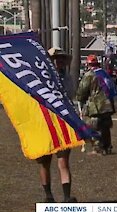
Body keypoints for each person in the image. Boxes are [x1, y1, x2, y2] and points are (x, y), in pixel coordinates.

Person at [37, 48, 77, 203]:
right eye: (55, 58)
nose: (58, 61)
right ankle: (48, 196)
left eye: (60, 59)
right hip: (45, 123)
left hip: (63, 122)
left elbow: (71, 95)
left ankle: (67, 196)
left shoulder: (66, 78)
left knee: (63, 160)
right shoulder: (40, 77)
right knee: (44, 162)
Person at [77, 54, 116, 155]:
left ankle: (98, 148)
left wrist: (80, 99)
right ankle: (107, 147)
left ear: (88, 64)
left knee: (94, 127)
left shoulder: (89, 75)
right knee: (105, 127)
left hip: (96, 106)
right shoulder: (104, 73)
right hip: (108, 105)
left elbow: (82, 90)